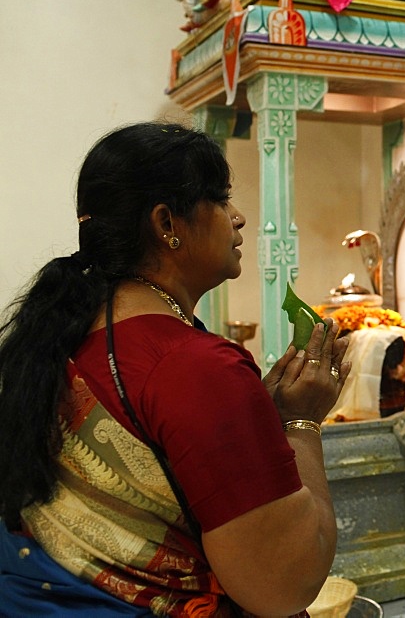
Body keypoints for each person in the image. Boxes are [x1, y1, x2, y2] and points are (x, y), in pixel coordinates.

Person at [0, 122, 351, 616]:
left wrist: (259, 420)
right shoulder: (196, 367)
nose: (239, 218)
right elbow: (282, 585)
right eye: (222, 200)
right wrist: (302, 421)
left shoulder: (62, 334)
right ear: (167, 224)